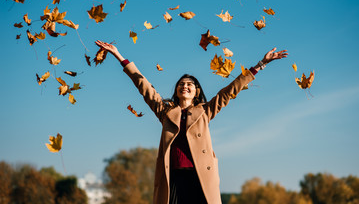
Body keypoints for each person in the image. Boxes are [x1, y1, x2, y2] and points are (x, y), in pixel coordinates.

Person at [95, 40, 288, 204]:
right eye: (181, 84)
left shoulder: (205, 111)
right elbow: (143, 85)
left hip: (200, 176)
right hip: (173, 178)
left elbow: (230, 91)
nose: (185, 86)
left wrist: (262, 63)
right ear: (177, 90)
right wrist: (119, 56)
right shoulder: (165, 111)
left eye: (189, 84)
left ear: (196, 91)